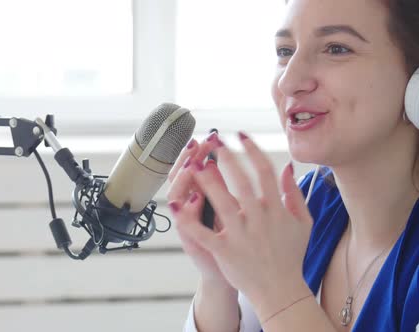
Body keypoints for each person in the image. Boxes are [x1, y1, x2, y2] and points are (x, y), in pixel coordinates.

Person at [167, 0, 419, 331]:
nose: (289, 81)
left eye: (336, 48)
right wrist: (220, 277)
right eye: (285, 51)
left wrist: (279, 295)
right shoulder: (301, 210)